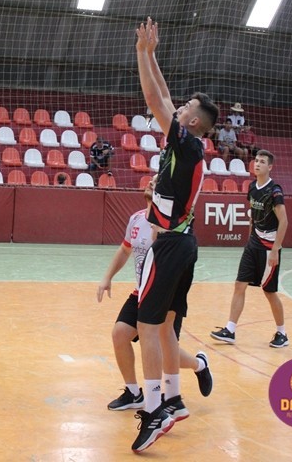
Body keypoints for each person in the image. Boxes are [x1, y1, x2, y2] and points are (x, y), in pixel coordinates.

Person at [131, 17, 219, 453]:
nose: (177, 107)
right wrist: (151, 54)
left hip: (169, 245)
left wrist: (139, 53)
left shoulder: (187, 143)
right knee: (165, 326)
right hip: (184, 243)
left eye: (185, 108)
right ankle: (174, 399)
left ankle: (153, 410)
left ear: (193, 122)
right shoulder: (188, 144)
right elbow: (163, 96)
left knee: (146, 326)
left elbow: (153, 99)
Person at [97, 176, 212, 412]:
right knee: (120, 334)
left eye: (157, 181)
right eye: (150, 180)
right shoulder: (136, 218)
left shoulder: (171, 225)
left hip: (164, 294)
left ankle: (199, 365)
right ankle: (133, 393)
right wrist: (107, 277)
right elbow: (124, 250)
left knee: (163, 350)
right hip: (141, 291)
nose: (151, 182)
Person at [210, 150, 290, 348]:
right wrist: (249, 239)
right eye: (256, 161)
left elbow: (284, 221)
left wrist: (275, 249)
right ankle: (230, 330)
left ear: (270, 167)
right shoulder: (252, 187)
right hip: (254, 243)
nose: (257, 164)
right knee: (239, 284)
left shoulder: (275, 191)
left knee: (269, 291)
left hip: (269, 246)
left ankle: (282, 333)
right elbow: (253, 216)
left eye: (262, 162)